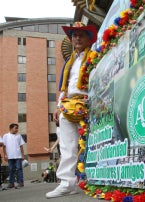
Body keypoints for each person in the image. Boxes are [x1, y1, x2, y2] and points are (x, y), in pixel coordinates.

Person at [46, 22, 97, 198]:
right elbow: (64, 87)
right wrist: (58, 107)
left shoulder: (95, 56)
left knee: (92, 142)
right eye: (74, 35)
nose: (77, 38)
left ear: (88, 38)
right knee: (67, 145)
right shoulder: (69, 62)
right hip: (68, 105)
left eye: (81, 34)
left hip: (90, 103)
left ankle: (95, 179)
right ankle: (67, 183)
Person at [2, 123, 26, 189]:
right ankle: (11, 183)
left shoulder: (19, 136)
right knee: (11, 169)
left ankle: (20, 182)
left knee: (19, 169)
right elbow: (4, 147)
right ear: (11, 128)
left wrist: (23, 155)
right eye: (16, 128)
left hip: (18, 156)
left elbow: (21, 146)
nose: (17, 129)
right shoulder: (5, 136)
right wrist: (5, 155)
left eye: (17, 128)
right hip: (10, 156)